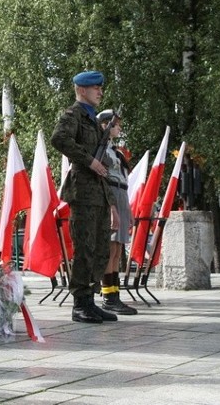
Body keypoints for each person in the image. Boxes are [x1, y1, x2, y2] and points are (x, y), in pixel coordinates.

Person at [50, 71, 119, 324]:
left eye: (100, 88)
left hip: (98, 192)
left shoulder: (92, 119)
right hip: (82, 191)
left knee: (100, 248)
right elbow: (59, 139)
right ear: (81, 90)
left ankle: (90, 299)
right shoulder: (74, 115)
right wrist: (88, 160)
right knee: (85, 248)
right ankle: (80, 303)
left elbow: (102, 168)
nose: (100, 92)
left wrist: (112, 204)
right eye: (95, 88)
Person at [96, 110, 137, 315]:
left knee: (118, 250)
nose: (119, 128)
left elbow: (123, 181)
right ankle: (108, 297)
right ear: (105, 125)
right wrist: (112, 208)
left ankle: (115, 295)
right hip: (110, 196)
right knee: (110, 250)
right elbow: (103, 180)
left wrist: (127, 209)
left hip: (121, 195)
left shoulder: (115, 151)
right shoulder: (101, 150)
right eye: (115, 124)